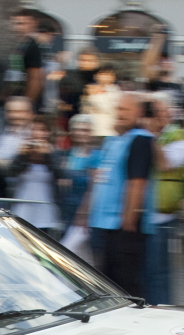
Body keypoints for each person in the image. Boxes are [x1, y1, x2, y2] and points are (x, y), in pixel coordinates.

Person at [77, 93, 154, 296]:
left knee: (124, 284)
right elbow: (99, 179)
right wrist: (85, 213)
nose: (120, 114)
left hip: (121, 227)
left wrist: (128, 222)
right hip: (103, 224)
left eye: (125, 110)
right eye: (118, 109)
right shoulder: (114, 140)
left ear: (138, 112)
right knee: (107, 281)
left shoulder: (140, 140)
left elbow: (137, 183)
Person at [146, 95, 184, 306]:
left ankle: (161, 309)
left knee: (158, 272)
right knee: (145, 271)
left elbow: (165, 163)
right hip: (143, 212)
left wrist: (148, 136)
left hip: (162, 216)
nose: (156, 116)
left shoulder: (181, 139)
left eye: (159, 111)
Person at [7, 116, 60, 235]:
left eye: (42, 129)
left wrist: (47, 156)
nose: (37, 133)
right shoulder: (23, 151)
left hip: (45, 209)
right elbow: (10, 172)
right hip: (23, 208)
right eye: (34, 129)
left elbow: (60, 175)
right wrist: (21, 155)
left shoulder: (54, 153)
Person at [57, 114, 98, 228]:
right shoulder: (66, 153)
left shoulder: (96, 155)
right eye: (77, 130)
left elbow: (94, 186)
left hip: (86, 211)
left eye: (85, 130)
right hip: (65, 208)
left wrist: (84, 213)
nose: (80, 133)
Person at [3, 9, 43, 110]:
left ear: (33, 23)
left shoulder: (33, 46)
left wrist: (27, 103)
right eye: (15, 23)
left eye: (22, 23)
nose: (17, 27)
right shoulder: (21, 44)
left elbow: (35, 78)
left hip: (24, 103)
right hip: (14, 99)